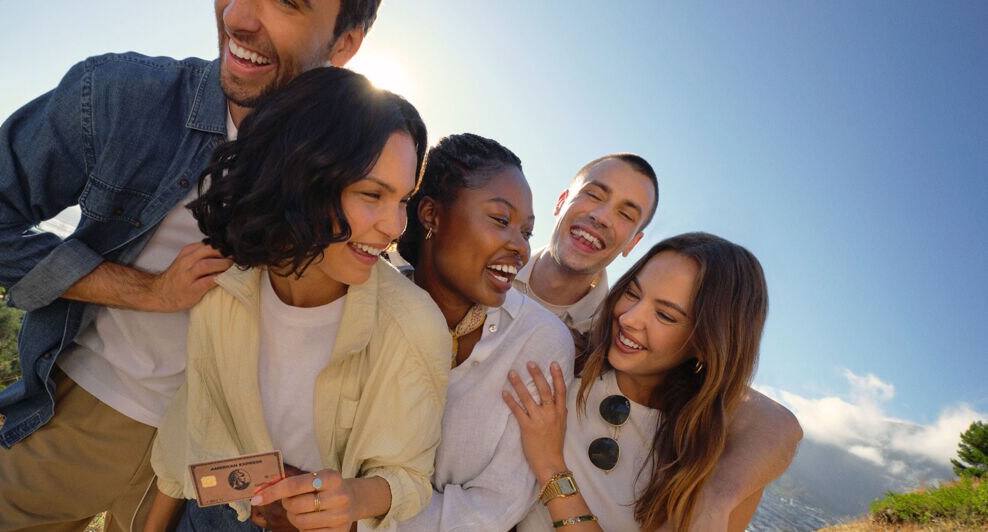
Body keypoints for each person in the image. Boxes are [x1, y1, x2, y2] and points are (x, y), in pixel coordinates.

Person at [0, 1, 384, 529]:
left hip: (222, 464)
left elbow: (372, 293)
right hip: (87, 416)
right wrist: (147, 290)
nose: (238, 18)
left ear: (345, 43)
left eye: (287, 3)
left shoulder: (356, 161)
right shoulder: (120, 94)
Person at [146, 67, 447, 531]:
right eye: (372, 194)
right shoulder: (224, 288)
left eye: (403, 200)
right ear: (301, 176)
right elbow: (192, 438)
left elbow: (409, 479)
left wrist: (347, 501)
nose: (394, 226)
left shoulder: (412, 323)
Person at [515, 155, 802, 526]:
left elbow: (778, 424)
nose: (629, 318)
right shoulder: (576, 358)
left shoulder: (707, 458)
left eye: (666, 315)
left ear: (707, 342)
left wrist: (714, 501)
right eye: (632, 293)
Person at [388, 133, 576, 530]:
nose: (521, 248)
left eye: (526, 232)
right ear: (431, 215)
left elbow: (493, 509)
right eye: (500, 220)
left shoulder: (540, 343)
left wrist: (354, 518)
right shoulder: (367, 296)